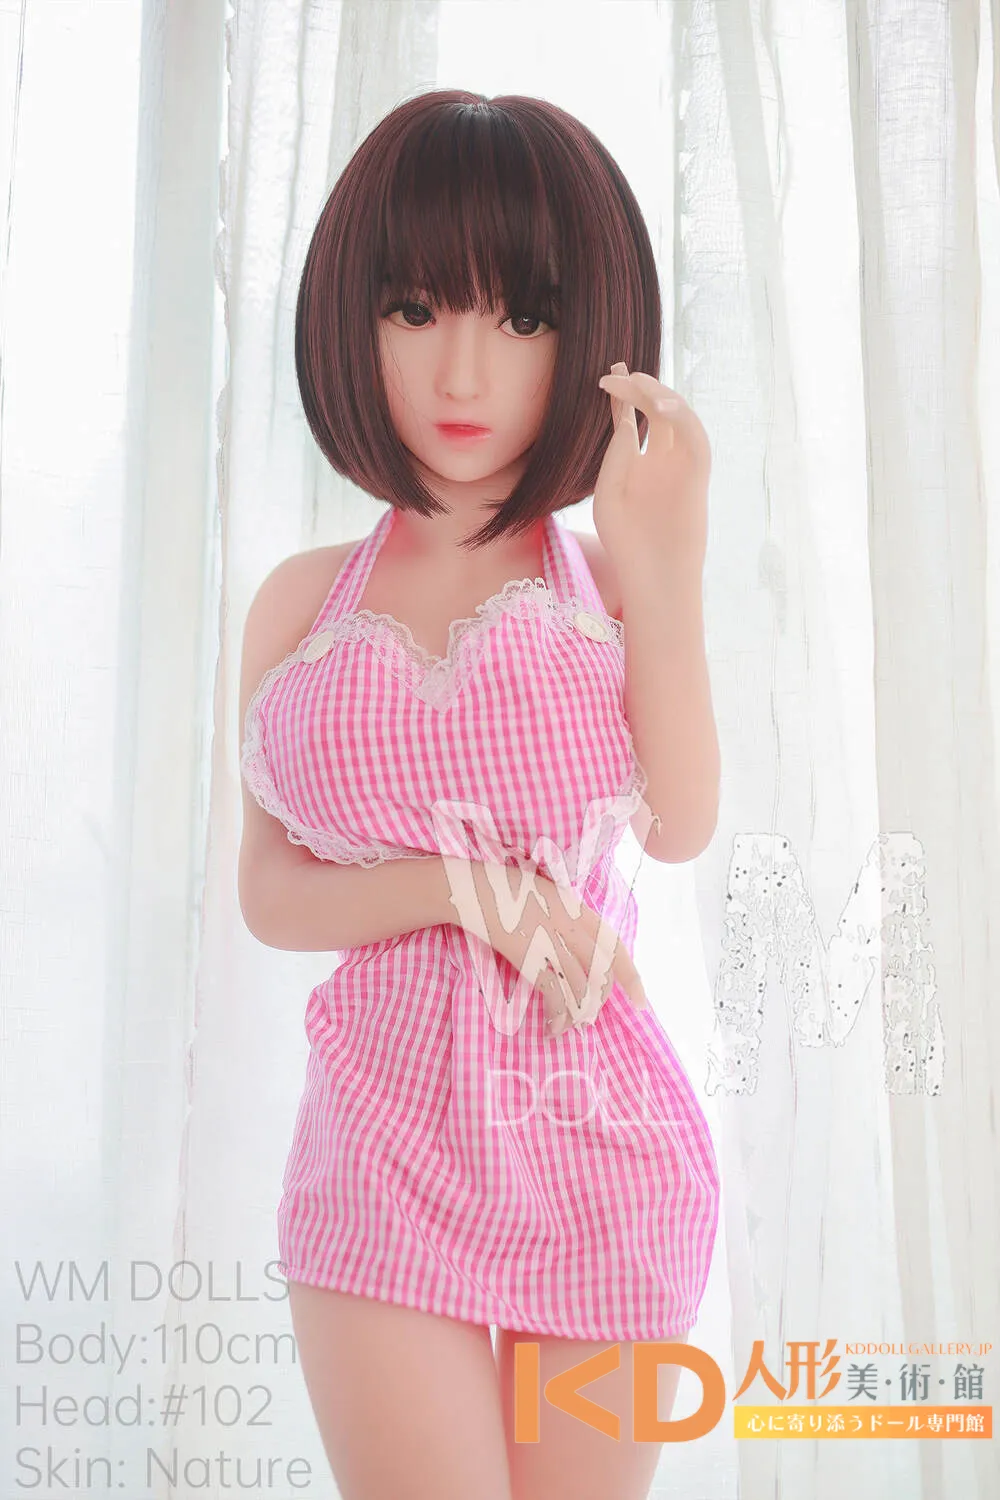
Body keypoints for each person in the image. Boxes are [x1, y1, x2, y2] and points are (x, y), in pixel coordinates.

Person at [238, 87, 720, 1500]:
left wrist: (664, 568)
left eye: (520, 318)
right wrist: (469, 894)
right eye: (414, 308)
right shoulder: (298, 606)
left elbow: (683, 824)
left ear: (589, 339)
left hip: (600, 1139)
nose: (463, 370)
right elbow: (270, 895)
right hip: (380, 1143)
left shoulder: (611, 588)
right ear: (353, 321)